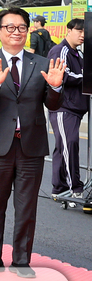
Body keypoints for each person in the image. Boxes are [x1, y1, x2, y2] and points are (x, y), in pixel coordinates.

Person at [0, 7, 65, 278]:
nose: (16, 32)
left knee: (27, 205)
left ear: (28, 31)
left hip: (31, 146)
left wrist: (56, 87)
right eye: (10, 27)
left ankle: (22, 260)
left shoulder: (41, 63)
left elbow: (52, 103)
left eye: (21, 28)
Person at [49, 19, 86, 199]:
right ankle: (75, 188)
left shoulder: (77, 53)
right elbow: (64, 76)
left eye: (85, 32)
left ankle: (59, 188)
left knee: (63, 146)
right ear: (69, 30)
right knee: (69, 145)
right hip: (64, 107)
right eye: (79, 31)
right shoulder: (60, 50)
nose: (83, 35)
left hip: (75, 107)